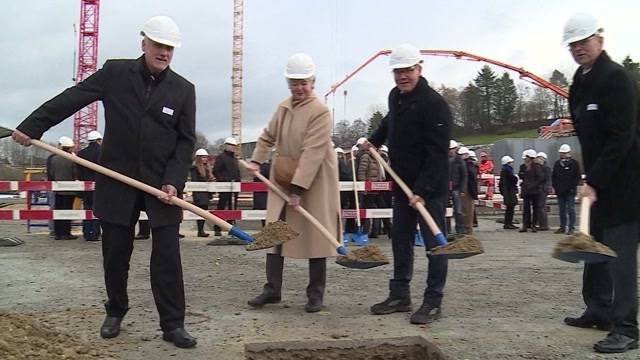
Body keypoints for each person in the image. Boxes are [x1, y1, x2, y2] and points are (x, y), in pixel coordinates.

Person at [12, 15, 197, 348]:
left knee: (167, 256)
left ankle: (173, 324)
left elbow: (185, 143)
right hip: (118, 180)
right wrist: (32, 126)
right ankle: (115, 310)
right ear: (144, 44)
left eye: (169, 48)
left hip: (161, 188)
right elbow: (73, 97)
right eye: (158, 45)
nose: (164, 52)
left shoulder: (183, 90)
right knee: (115, 254)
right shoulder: (115, 73)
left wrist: (173, 180)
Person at [561, 12, 640, 354]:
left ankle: (626, 327)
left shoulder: (617, 79)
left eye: (584, 42)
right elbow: (589, 138)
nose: (579, 49)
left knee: (620, 257)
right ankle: (598, 309)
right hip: (597, 182)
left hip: (626, 182)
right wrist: (589, 178)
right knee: (593, 249)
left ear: (600, 40)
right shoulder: (580, 81)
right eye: (573, 44)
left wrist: (595, 179)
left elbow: (621, 137)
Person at [363, 43, 452, 325]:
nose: (403, 76)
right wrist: (373, 140)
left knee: (434, 246)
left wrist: (422, 191)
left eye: (408, 71)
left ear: (419, 69)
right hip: (402, 186)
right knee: (400, 240)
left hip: (429, 189)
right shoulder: (395, 97)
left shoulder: (435, 105)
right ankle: (400, 294)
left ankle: (433, 301)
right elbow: (390, 123)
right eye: (398, 71)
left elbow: (437, 154)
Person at [245, 53, 341, 313]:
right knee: (274, 232)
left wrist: (298, 190)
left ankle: (315, 294)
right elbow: (267, 136)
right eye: (294, 83)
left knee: (315, 234)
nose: (299, 88)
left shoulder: (320, 112)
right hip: (284, 175)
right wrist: (256, 160)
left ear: (313, 81)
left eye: (304, 83)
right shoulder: (284, 107)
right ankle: (272, 290)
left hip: (315, 179)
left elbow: (313, 153)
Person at [49, 136, 79, 240]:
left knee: (58, 212)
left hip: (58, 189)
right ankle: (66, 233)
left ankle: (58, 233)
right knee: (67, 212)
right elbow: (75, 174)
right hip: (70, 190)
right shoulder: (72, 159)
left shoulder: (54, 159)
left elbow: (51, 174)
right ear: (70, 148)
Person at [212, 137, 241, 236]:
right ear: (226, 146)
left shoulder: (234, 159)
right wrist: (223, 180)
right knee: (221, 207)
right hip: (224, 188)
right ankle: (217, 227)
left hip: (234, 188)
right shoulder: (221, 157)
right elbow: (215, 171)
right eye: (230, 145)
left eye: (234, 146)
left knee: (232, 208)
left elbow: (237, 172)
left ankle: (231, 228)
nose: (232, 147)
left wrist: (238, 181)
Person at [77, 130, 102, 241]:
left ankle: (87, 233)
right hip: (100, 187)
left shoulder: (81, 153)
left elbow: (78, 171)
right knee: (99, 210)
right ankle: (96, 233)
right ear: (98, 140)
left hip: (85, 186)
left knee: (87, 209)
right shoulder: (103, 152)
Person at [551, 144, 581, 235]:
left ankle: (571, 228)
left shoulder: (574, 163)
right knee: (562, 210)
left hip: (570, 191)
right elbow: (554, 177)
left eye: (564, 153)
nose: (562, 155)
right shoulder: (557, 164)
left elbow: (577, 177)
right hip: (560, 191)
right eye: (561, 153)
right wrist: (555, 187)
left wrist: (573, 187)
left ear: (568, 153)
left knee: (571, 209)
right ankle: (562, 227)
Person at [356, 137, 382, 238]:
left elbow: (362, 171)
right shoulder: (375, 157)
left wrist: (362, 186)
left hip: (368, 186)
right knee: (372, 207)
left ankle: (366, 231)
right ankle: (375, 230)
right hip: (373, 186)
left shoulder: (366, 157)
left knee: (366, 208)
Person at [518, 149, 544, 233]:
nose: (525, 159)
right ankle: (525, 225)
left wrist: (532, 185)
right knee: (526, 209)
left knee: (535, 208)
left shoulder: (536, 166)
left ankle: (534, 225)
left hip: (535, 191)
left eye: (526, 157)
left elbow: (541, 178)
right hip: (526, 191)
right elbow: (521, 175)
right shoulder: (523, 166)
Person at [190, 148, 214, 237]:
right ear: (199, 158)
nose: (205, 159)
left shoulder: (207, 168)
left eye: (206, 157)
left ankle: (201, 230)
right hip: (199, 194)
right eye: (203, 157)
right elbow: (195, 181)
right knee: (200, 212)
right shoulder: (194, 168)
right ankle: (200, 230)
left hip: (206, 193)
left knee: (204, 212)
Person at [448, 140, 467, 236]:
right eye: (449, 149)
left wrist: (462, 189)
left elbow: (464, 175)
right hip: (445, 189)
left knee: (458, 210)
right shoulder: (443, 159)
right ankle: (446, 230)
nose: (451, 151)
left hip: (456, 188)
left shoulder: (459, 161)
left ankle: (460, 229)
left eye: (452, 149)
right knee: (446, 210)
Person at [460, 147, 477, 234]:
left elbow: (469, 179)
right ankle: (467, 229)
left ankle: (467, 230)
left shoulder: (467, 165)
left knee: (466, 211)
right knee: (467, 211)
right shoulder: (470, 165)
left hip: (467, 190)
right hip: (468, 190)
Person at [498, 156, 518, 229]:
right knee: (510, 208)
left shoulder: (504, 170)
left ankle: (508, 223)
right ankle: (508, 223)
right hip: (510, 192)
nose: (512, 163)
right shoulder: (508, 170)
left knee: (509, 208)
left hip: (507, 192)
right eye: (511, 162)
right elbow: (513, 179)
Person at [534, 152, 552, 231]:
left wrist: (546, 189)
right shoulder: (538, 167)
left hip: (542, 190)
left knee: (541, 206)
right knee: (539, 207)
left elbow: (547, 179)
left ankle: (544, 225)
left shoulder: (546, 168)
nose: (537, 159)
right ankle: (540, 223)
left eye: (539, 158)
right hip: (539, 189)